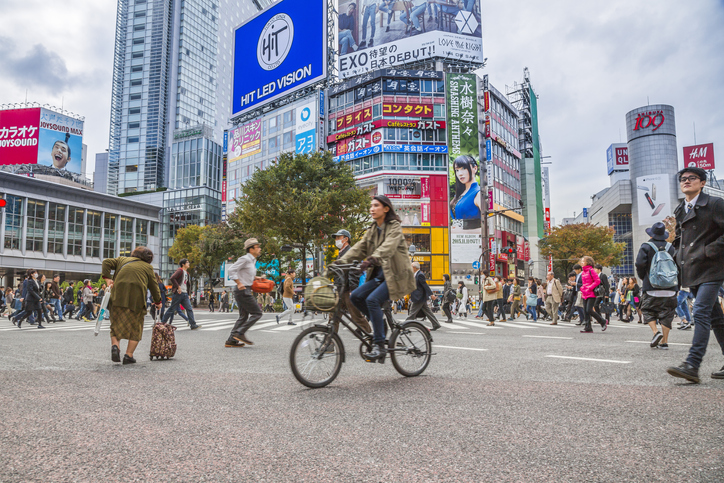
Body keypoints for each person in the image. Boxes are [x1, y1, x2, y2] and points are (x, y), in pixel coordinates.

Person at [337, 195, 416, 362]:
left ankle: (380, 345)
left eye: (376, 205)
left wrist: (372, 259)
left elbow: (389, 246)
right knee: (356, 297)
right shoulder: (373, 229)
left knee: (372, 300)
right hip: (380, 276)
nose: (372, 208)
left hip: (395, 275)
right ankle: (380, 323)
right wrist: (340, 262)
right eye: (371, 205)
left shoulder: (393, 226)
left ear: (386, 209)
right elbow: (360, 246)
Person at [667, 167, 724, 383]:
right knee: (716, 318)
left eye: (692, 178)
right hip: (692, 268)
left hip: (712, 266)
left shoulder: (715, 204)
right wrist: (677, 254)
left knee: (700, 311)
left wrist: (708, 251)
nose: (686, 181)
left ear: (702, 182)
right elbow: (681, 237)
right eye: (683, 179)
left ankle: (692, 364)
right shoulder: (681, 209)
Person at [102, 247, 161, 364]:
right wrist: (158, 302)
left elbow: (106, 262)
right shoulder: (148, 268)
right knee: (136, 328)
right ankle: (128, 355)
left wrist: (108, 279)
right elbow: (154, 286)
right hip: (136, 301)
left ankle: (115, 346)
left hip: (117, 297)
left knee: (115, 325)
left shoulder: (121, 260)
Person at [635, 222, 679, 350]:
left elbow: (639, 264)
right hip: (670, 287)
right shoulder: (672, 247)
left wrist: (644, 277)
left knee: (647, 310)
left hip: (652, 287)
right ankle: (664, 342)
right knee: (667, 314)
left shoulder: (646, 246)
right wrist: (678, 285)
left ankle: (655, 332)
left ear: (651, 234)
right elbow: (679, 266)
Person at [330, 229, 372, 334]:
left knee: (357, 317)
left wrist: (353, 290)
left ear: (346, 239)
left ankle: (372, 339)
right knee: (333, 317)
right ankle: (329, 343)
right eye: (336, 238)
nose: (336, 240)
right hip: (340, 290)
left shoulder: (350, 252)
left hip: (348, 290)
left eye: (338, 237)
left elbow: (354, 271)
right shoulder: (341, 253)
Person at [225, 238, 265, 348]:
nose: (260, 249)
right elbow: (231, 270)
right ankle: (240, 333)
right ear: (251, 249)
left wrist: (257, 278)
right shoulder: (245, 259)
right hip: (242, 290)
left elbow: (247, 274)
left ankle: (231, 340)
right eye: (257, 247)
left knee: (243, 316)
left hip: (244, 289)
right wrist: (238, 282)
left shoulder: (252, 261)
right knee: (257, 313)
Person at [162, 259, 200, 330]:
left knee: (189, 309)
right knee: (172, 309)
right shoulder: (180, 270)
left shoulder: (187, 273)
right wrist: (178, 287)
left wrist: (188, 294)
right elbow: (172, 278)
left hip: (185, 294)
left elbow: (188, 284)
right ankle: (163, 322)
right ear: (183, 264)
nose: (189, 264)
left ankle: (193, 325)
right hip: (178, 293)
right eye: (187, 262)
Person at [407, 262, 441, 331]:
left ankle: (405, 325)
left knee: (412, 312)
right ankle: (436, 324)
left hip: (419, 297)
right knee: (428, 312)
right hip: (420, 297)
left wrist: (431, 294)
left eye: (411, 267)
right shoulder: (416, 274)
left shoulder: (420, 275)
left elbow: (425, 285)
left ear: (414, 268)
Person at [579, 256, 607, 333]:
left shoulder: (591, 270)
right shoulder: (583, 272)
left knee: (589, 309)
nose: (581, 262)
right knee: (585, 311)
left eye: (583, 261)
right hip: (584, 293)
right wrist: (582, 288)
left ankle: (602, 321)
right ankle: (588, 327)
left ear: (588, 262)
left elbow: (597, 281)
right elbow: (583, 283)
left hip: (591, 293)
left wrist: (589, 288)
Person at [449, 155, 481, 221]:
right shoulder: (460, 194)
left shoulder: (479, 193)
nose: (460, 173)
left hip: (473, 231)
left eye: (463, 168)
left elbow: (487, 223)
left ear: (475, 168)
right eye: (457, 170)